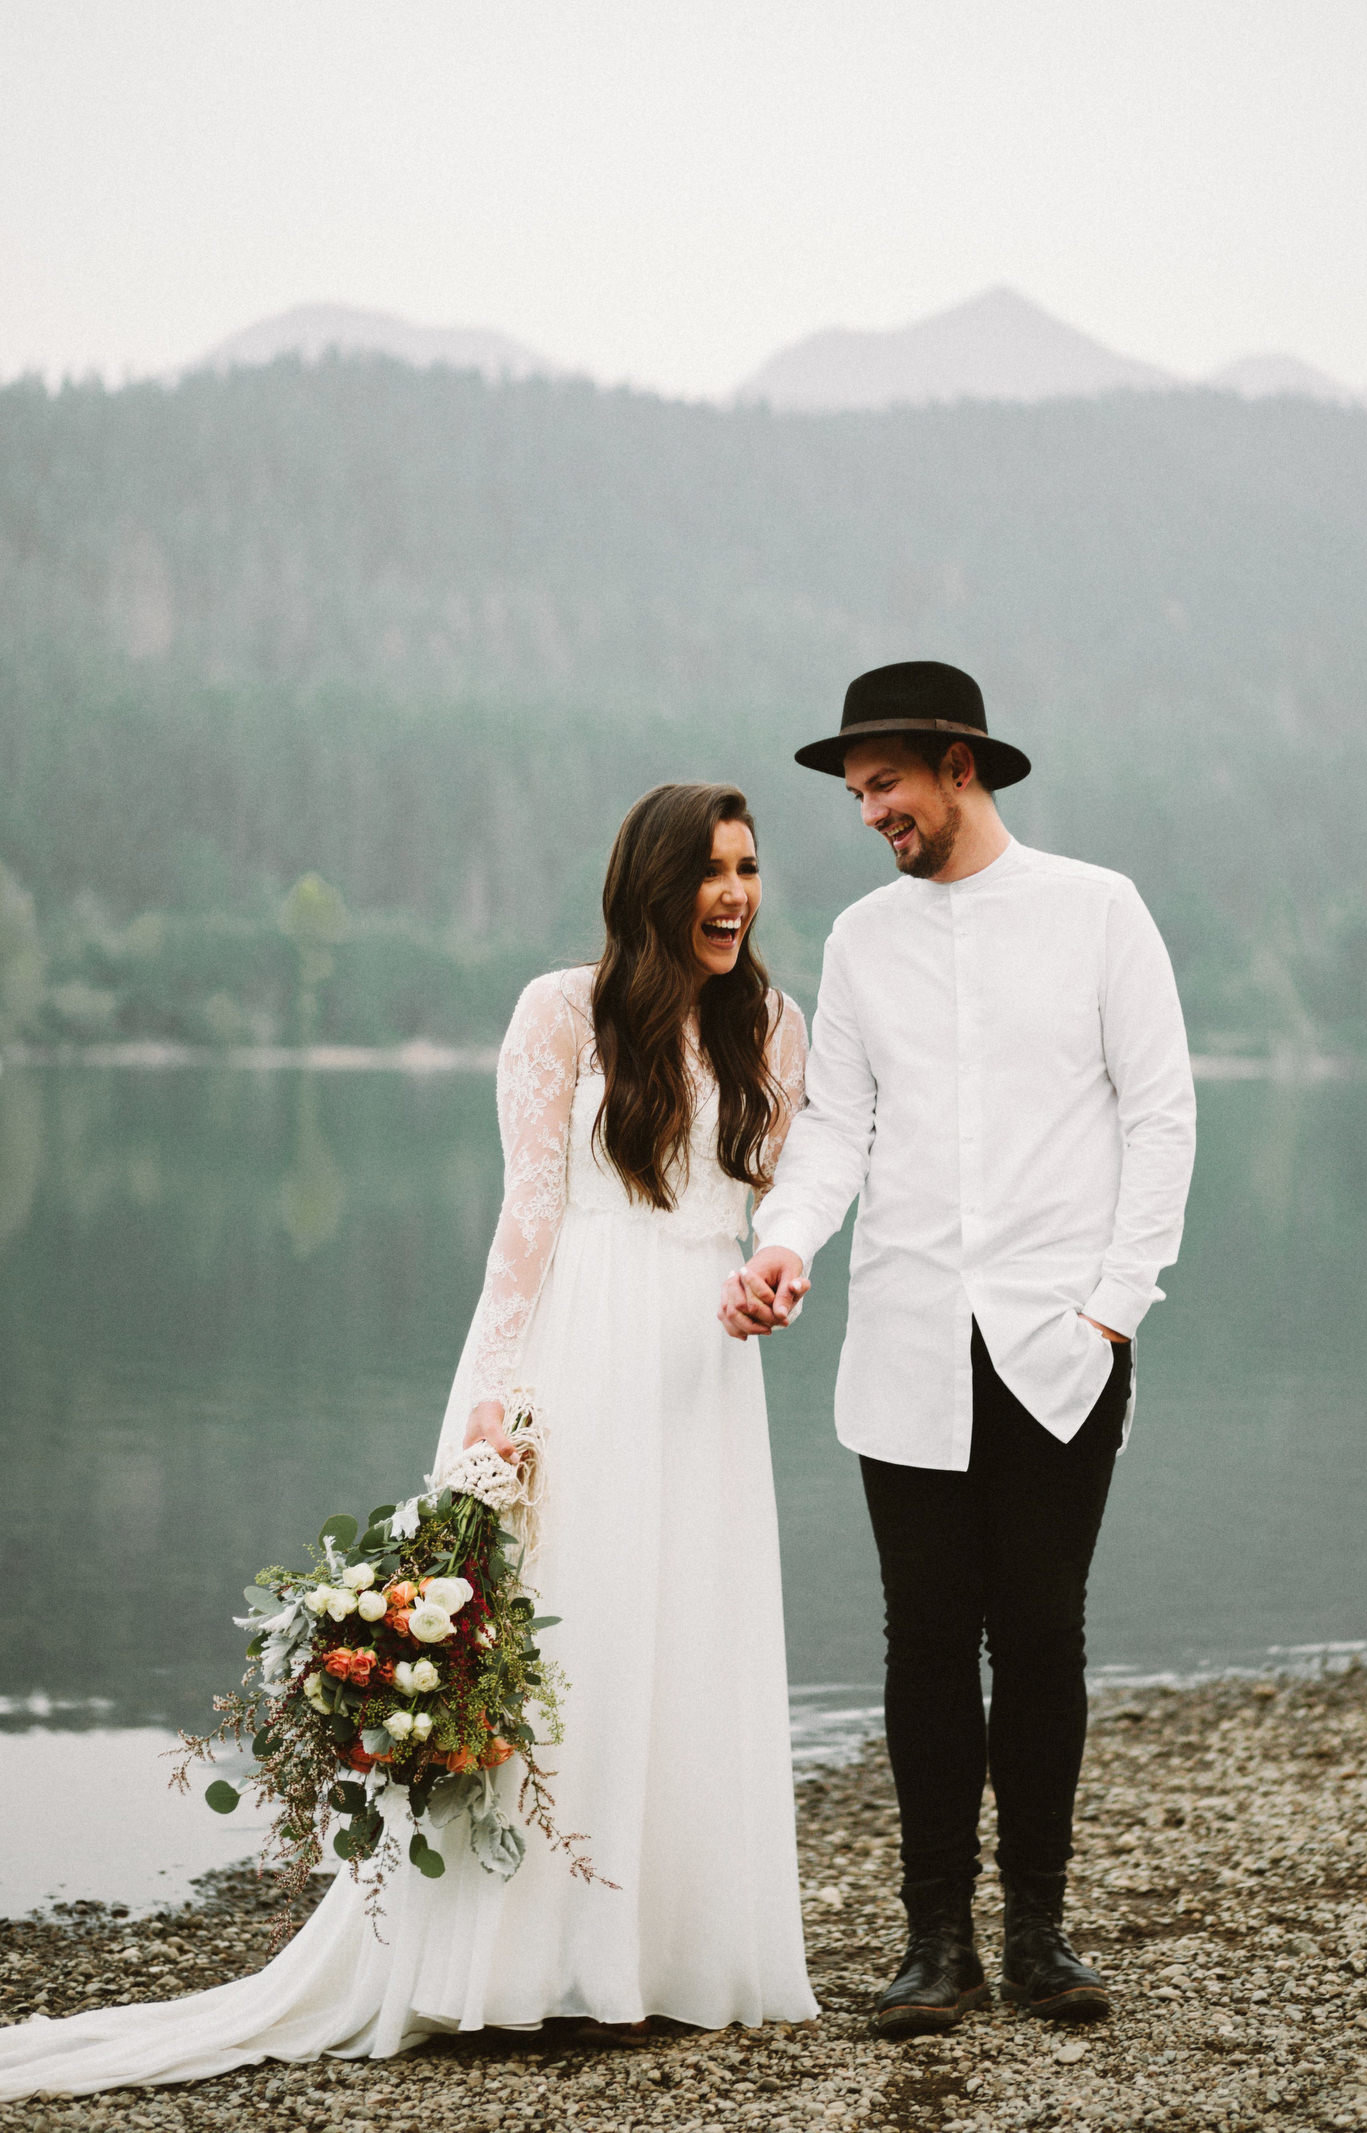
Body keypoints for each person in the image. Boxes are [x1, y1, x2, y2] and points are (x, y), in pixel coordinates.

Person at [1, 782, 817, 2102]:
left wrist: (782, 1273)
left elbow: (790, 1197)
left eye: (751, 868)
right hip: (581, 1352)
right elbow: (528, 1221)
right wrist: (496, 1396)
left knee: (687, 1635)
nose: (735, 894)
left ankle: (662, 1955)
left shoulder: (775, 1026)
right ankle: (520, 1960)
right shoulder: (563, 1012)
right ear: (655, 884)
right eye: (712, 870)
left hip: (705, 1373)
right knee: (574, 1634)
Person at [721, 662, 1195, 2038]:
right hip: (908, 1346)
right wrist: (785, 1239)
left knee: (1041, 1634)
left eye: (885, 783)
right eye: (858, 791)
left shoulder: (1099, 911)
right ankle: (938, 1944)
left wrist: (1114, 1307)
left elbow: (1161, 1116)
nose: (868, 810)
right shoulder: (864, 943)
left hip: (1061, 1344)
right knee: (925, 1640)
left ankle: (1040, 1937)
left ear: (959, 764)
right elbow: (833, 1129)